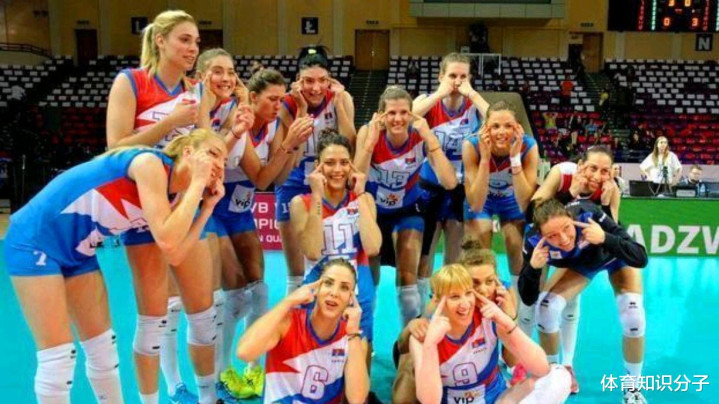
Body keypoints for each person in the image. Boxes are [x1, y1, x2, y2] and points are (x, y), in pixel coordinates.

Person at [4, 130, 226, 404]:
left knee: (103, 350)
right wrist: (197, 185)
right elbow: (168, 241)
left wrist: (207, 208)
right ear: (188, 152)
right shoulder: (149, 164)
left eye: (225, 161)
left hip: (80, 250)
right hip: (34, 240)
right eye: (213, 154)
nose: (220, 165)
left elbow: (176, 255)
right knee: (59, 358)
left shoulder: (177, 195)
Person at [105, 10, 221, 404]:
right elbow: (114, 148)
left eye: (196, 42)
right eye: (184, 40)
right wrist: (168, 122)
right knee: (153, 318)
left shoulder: (196, 91)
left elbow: (204, 145)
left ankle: (208, 397)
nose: (193, 48)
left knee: (203, 313)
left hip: (185, 205)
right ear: (160, 40)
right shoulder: (131, 81)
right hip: (142, 211)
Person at [208, 67, 314, 399]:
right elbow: (262, 179)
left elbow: (281, 178)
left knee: (260, 291)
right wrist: (289, 143)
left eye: (281, 100)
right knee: (234, 295)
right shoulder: (237, 123)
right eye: (271, 99)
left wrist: (295, 137)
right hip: (214, 213)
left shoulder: (272, 126)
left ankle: (253, 368)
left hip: (241, 213)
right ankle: (222, 371)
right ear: (252, 98)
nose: (277, 105)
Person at [518, 198, 648, 404]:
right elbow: (528, 298)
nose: (563, 239)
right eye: (552, 236)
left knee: (633, 317)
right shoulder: (533, 242)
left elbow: (640, 257)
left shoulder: (589, 214)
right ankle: (553, 379)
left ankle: (632, 390)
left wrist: (604, 237)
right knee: (546, 309)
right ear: (542, 236)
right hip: (582, 266)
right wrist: (533, 269)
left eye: (566, 228)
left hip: (615, 256)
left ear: (571, 219)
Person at [354, 85, 457, 326]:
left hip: (408, 210)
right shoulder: (368, 131)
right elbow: (355, 180)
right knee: (369, 281)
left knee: (408, 280)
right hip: (373, 212)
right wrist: (370, 143)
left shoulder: (420, 136)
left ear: (412, 114)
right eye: (391, 113)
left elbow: (450, 182)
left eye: (403, 112)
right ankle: (365, 335)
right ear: (381, 115)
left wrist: (430, 138)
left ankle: (410, 340)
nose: (398, 119)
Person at [527, 146, 620, 393]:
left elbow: (612, 233)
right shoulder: (561, 172)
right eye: (592, 168)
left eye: (604, 171)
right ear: (580, 166)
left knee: (568, 303)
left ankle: (566, 366)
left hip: (578, 247)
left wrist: (606, 204)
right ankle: (528, 362)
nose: (597, 176)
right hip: (548, 243)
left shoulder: (611, 189)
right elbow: (534, 212)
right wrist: (570, 193)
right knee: (531, 301)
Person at [411, 264, 572, 404]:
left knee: (560, 376)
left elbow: (542, 368)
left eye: (468, 293)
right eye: (454, 297)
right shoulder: (423, 335)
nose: (465, 304)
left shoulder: (488, 316)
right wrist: (430, 345)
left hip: (497, 399)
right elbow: (429, 401)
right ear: (437, 300)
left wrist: (508, 323)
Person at [391, 241, 520, 403]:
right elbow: (402, 348)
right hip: (443, 388)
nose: (484, 290)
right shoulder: (440, 307)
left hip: (488, 391)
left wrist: (510, 318)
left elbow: (512, 361)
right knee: (410, 361)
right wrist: (412, 327)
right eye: (475, 283)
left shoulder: (500, 302)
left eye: (489, 281)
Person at [275, 45, 357, 295]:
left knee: (329, 255)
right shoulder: (286, 103)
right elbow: (294, 152)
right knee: (296, 271)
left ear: (330, 80)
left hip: (331, 177)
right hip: (294, 176)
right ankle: (295, 313)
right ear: (297, 81)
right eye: (308, 81)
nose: (316, 87)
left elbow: (350, 144)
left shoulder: (342, 98)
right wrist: (301, 108)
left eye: (322, 80)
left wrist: (339, 104)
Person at [411, 52, 489, 310]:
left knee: (454, 259)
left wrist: (472, 94)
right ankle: (421, 315)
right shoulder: (427, 101)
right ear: (440, 76)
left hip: (459, 192)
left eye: (463, 76)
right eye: (452, 75)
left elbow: (498, 119)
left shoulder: (474, 107)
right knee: (424, 258)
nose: (457, 82)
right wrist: (439, 94)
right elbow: (407, 116)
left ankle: (448, 312)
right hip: (429, 188)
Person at [290, 130, 381, 343]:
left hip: (359, 294)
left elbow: (373, 247)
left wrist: (360, 194)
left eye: (344, 163)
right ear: (318, 166)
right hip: (318, 293)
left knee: (359, 354)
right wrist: (317, 195)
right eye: (330, 163)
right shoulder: (301, 203)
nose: (338, 170)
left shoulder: (364, 199)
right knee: (317, 355)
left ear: (352, 166)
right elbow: (312, 251)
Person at [236, 259, 369, 404]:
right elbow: (244, 352)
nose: (334, 293)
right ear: (317, 288)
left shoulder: (353, 338)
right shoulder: (287, 323)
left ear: (351, 299)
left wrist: (353, 333)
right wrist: (288, 301)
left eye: (344, 288)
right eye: (328, 283)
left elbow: (357, 398)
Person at [462, 101, 539, 346]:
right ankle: (476, 321)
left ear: (517, 128)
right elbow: (475, 203)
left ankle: (518, 323)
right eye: (495, 126)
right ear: (485, 127)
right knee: (478, 253)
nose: (501, 132)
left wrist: (514, 158)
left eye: (508, 126)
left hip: (513, 201)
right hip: (482, 200)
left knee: (515, 246)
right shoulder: (471, 145)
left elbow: (525, 201)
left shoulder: (528, 147)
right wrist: (485, 159)